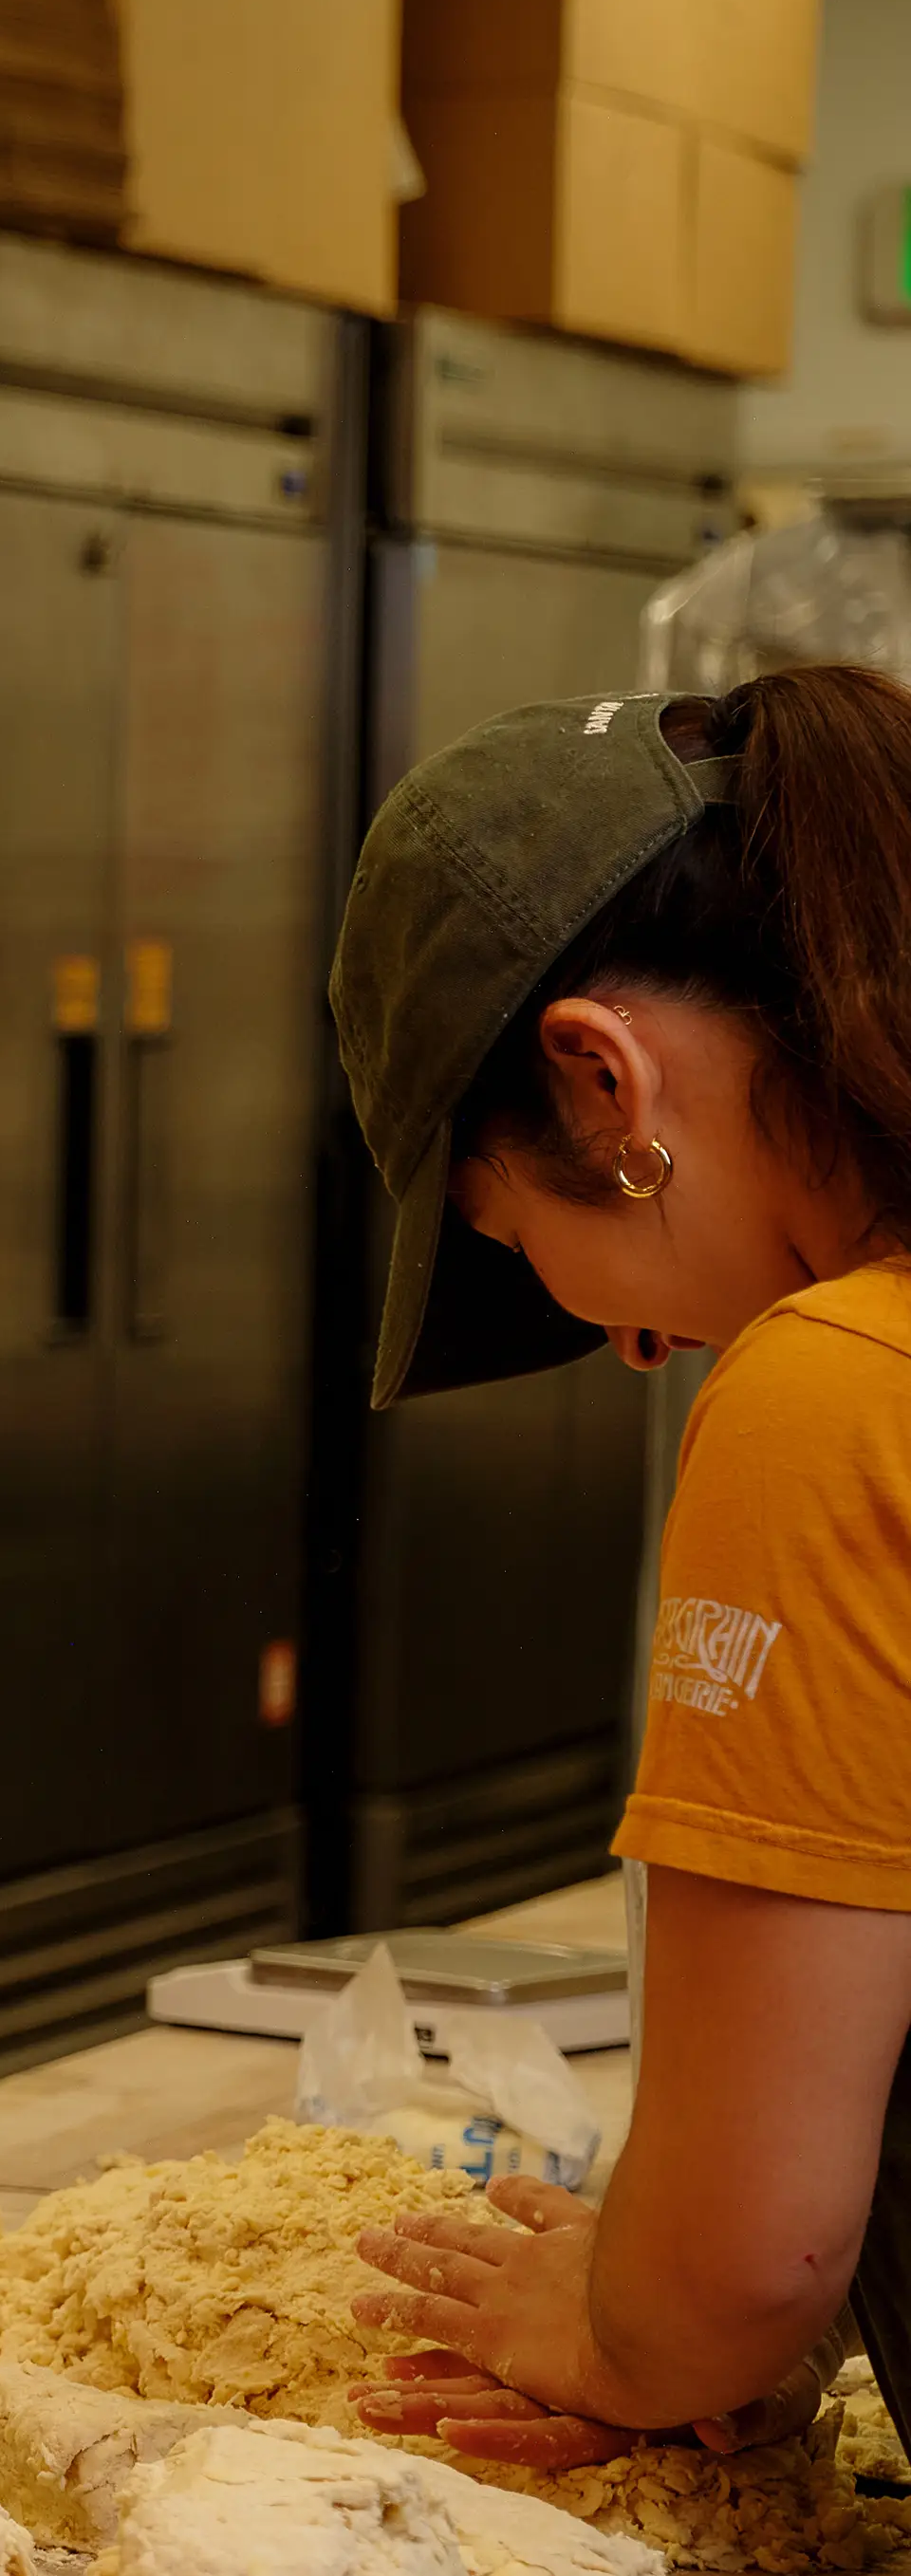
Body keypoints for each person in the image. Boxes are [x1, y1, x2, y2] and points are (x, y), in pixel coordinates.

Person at [319, 670, 911, 2461]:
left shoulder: (832, 1384)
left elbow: (745, 2264)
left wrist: (630, 2334)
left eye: (523, 1241)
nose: (636, 1349)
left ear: (602, 1079)